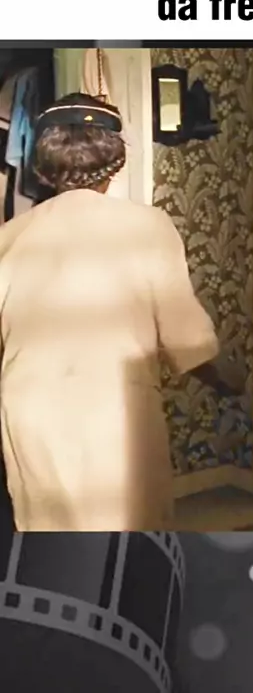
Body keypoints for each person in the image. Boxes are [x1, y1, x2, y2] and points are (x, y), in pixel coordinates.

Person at [0, 92, 240, 531]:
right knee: (130, 529)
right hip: (115, 409)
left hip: (30, 408)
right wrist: (226, 380)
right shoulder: (148, 226)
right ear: (115, 162)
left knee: (52, 534)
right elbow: (183, 334)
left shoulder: (9, 236)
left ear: (42, 166)